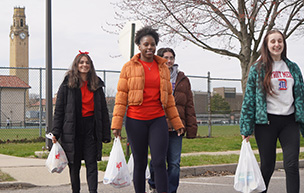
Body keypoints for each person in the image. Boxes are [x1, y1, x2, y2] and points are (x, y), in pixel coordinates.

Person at [111, 26, 184, 193]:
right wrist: (116, 124)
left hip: (157, 119)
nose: (149, 47)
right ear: (139, 46)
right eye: (146, 44)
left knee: (159, 161)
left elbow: (169, 99)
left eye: (152, 44)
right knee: (140, 162)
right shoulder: (129, 67)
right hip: (136, 121)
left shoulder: (163, 68)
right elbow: (121, 97)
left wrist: (176, 122)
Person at [240, 29, 304, 193]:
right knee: (268, 165)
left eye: (280, 41)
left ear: (284, 44)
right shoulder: (258, 68)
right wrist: (246, 128)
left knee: (292, 164)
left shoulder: (293, 68)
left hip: (289, 122)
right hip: (266, 123)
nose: (277, 44)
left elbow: (301, 98)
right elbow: (249, 99)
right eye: (273, 41)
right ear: (267, 45)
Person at [51, 50, 111, 193]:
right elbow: (59, 110)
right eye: (81, 62)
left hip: (91, 128)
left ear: (91, 65)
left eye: (87, 62)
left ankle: (93, 191)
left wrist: (105, 133)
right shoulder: (67, 84)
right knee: (74, 164)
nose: (84, 65)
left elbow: (103, 111)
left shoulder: (97, 85)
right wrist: (56, 132)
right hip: (72, 129)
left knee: (92, 164)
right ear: (76, 65)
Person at [148, 48, 198, 193]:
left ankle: (170, 190)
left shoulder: (182, 79)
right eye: (166, 57)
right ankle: (154, 183)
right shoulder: (153, 76)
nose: (169, 61)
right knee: (157, 161)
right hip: (158, 126)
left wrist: (191, 126)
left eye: (171, 58)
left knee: (174, 164)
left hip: (177, 127)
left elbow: (189, 104)